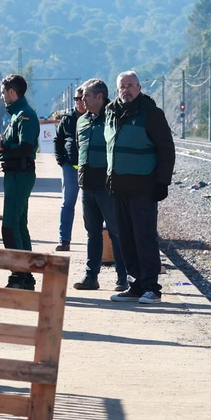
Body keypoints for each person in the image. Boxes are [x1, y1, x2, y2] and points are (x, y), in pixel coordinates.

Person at [105, 70, 175, 304]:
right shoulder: (111, 112)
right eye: (122, 86)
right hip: (118, 186)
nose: (126, 90)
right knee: (126, 238)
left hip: (143, 187)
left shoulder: (151, 114)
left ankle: (152, 288)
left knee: (144, 237)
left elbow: (166, 150)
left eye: (131, 85)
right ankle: (136, 285)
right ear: (117, 90)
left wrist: (162, 183)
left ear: (139, 87)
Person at [73, 78, 128, 292]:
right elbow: (80, 148)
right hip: (86, 185)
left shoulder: (114, 119)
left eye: (86, 96)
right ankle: (91, 277)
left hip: (107, 186)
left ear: (99, 97)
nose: (82, 100)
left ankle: (123, 278)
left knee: (116, 232)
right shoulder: (82, 121)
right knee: (92, 233)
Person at [0, 74, 39, 289]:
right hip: (14, 174)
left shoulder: (25, 115)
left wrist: (5, 147)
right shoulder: (17, 115)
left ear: (12, 92)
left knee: (10, 227)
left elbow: (26, 147)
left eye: (3, 92)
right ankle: (26, 276)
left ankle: (18, 275)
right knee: (19, 226)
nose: (2, 96)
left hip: (20, 175)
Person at [54, 88, 83, 252]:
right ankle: (64, 240)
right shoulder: (68, 119)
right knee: (67, 204)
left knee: (92, 208)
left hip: (90, 169)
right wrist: (61, 160)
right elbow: (58, 140)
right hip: (70, 167)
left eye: (81, 98)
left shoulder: (95, 118)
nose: (79, 101)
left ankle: (98, 241)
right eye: (76, 99)